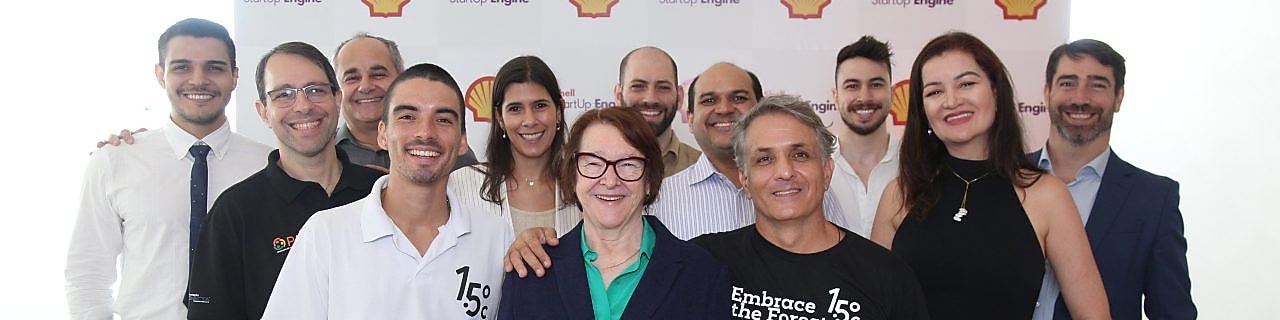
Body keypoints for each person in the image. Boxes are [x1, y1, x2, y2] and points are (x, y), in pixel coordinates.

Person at [503, 62, 850, 278]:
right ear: (689, 115)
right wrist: (535, 240)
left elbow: (846, 262)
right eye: (709, 100)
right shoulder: (663, 195)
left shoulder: (808, 190)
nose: (725, 110)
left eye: (739, 98)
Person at [870, 31, 1110, 319]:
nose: (951, 100)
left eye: (967, 84)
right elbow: (874, 306)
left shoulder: (1046, 196)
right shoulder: (899, 195)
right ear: (922, 111)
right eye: (934, 91)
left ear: (995, 92)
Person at [260, 63, 513, 319]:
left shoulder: (495, 236)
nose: (425, 132)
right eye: (407, 117)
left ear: (462, 141)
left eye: (443, 120)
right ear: (383, 134)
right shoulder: (325, 234)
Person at [65, 18, 273, 320]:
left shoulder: (268, 165)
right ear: (160, 75)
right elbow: (87, 273)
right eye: (182, 67)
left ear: (234, 76)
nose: (198, 80)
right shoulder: (115, 161)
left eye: (214, 67)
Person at [185, 41, 382, 320]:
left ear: (337, 99)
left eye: (315, 90)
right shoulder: (233, 213)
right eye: (284, 94)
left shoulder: (381, 193)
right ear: (263, 111)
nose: (303, 106)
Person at [694, 94, 928, 320]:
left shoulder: (887, 275)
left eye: (800, 155)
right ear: (745, 180)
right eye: (765, 159)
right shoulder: (706, 262)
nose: (785, 172)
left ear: (827, 171)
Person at [498, 107, 730, 319]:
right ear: (573, 175)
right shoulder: (530, 271)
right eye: (593, 163)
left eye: (628, 164)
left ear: (649, 179)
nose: (610, 181)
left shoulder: (702, 275)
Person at [1032, 39, 1195, 320]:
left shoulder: (1153, 199)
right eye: (1068, 83)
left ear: (1118, 97)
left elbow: (1172, 312)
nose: (1080, 98)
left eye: (1097, 85)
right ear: (1047, 92)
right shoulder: (1002, 177)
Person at [449, 56, 583, 236]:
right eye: (515, 109)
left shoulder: (584, 184)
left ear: (558, 111)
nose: (529, 121)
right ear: (499, 118)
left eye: (540, 106)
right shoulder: (461, 185)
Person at [333, 33, 478, 171]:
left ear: (401, 79)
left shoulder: (445, 148)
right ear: (337, 90)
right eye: (352, 78)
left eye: (378, 75)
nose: (365, 87)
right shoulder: (323, 154)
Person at [828, 36, 902, 238]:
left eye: (876, 84)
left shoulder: (917, 164)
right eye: (852, 86)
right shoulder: (813, 165)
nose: (865, 97)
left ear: (892, 93)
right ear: (835, 96)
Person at [614, 46, 700, 177]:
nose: (650, 99)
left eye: (663, 87)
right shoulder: (587, 168)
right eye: (638, 86)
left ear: (680, 97)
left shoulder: (704, 169)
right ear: (619, 96)